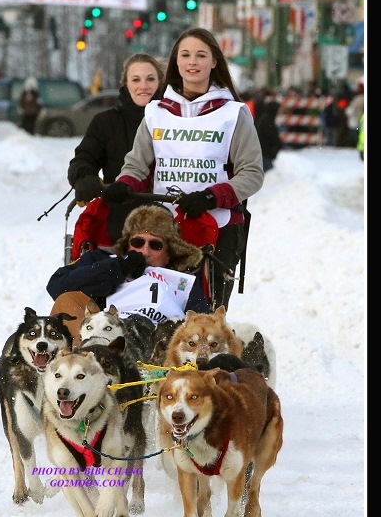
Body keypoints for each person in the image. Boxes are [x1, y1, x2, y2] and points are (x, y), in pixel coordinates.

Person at [101, 27, 264, 311]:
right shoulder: (156, 112)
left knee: (205, 317)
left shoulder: (232, 114)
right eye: (185, 55)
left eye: (201, 55)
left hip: (217, 226)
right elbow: (138, 165)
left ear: (214, 62)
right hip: (164, 229)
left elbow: (252, 173)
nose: (192, 62)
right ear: (175, 62)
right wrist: (125, 184)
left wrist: (211, 196)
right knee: (160, 310)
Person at [48, 203, 211, 344]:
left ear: (169, 253)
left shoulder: (181, 279)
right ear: (127, 244)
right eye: (138, 242)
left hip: (160, 343)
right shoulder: (103, 260)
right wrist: (119, 267)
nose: (145, 252)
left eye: (155, 245)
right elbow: (58, 287)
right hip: (102, 340)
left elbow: (205, 322)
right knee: (67, 300)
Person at [67, 53, 164, 245]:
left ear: (160, 83)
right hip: (120, 213)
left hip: (167, 211)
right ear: (126, 84)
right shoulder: (105, 123)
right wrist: (84, 177)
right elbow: (84, 157)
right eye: (136, 79)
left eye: (150, 79)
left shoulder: (177, 121)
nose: (143, 86)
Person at [255, 99, 282, 172]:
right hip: (265, 153)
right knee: (270, 174)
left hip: (264, 152)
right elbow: (271, 135)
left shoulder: (265, 118)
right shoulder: (267, 121)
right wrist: (278, 144)